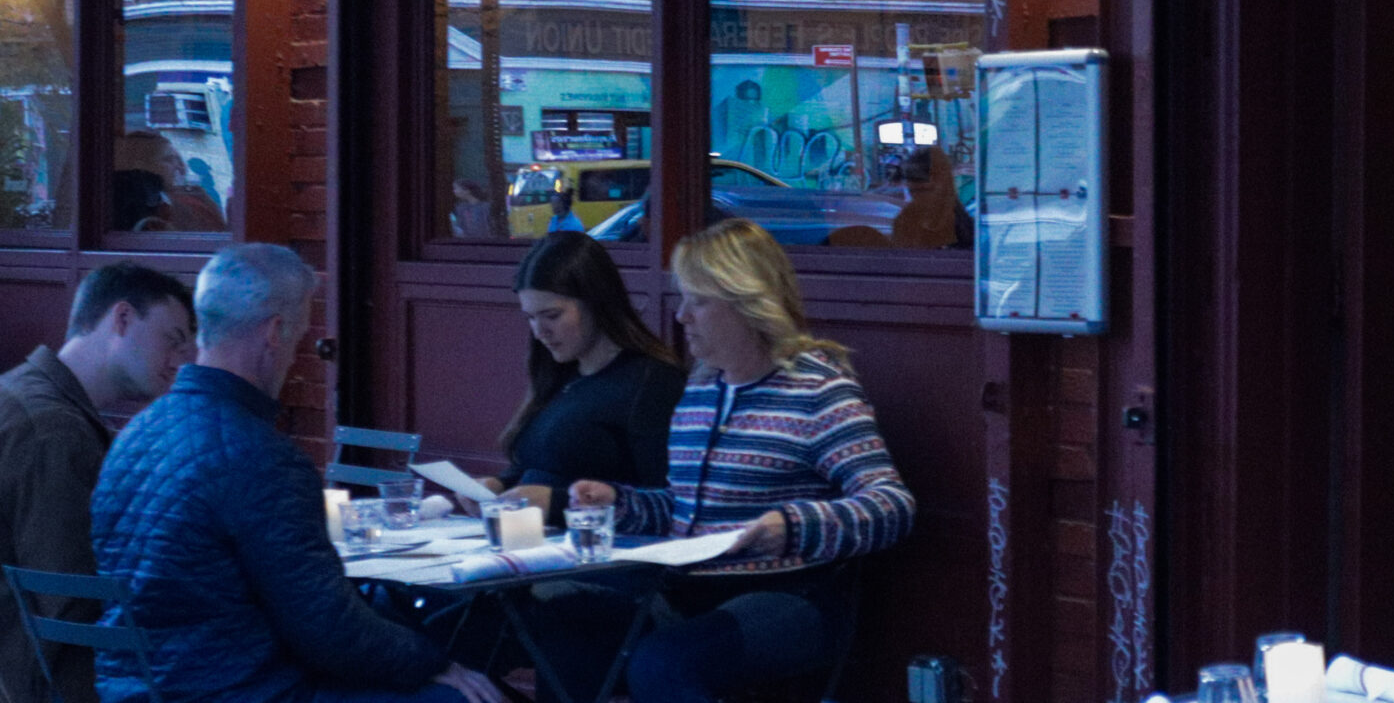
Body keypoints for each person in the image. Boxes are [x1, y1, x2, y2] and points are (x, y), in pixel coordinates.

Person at [90, 245, 503, 703]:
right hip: (240, 690)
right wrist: (436, 663)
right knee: (467, 696)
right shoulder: (260, 457)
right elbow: (327, 629)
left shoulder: (132, 438)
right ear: (276, 332)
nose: (295, 355)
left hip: (135, 688)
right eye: (301, 336)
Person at [547, 219, 915, 703]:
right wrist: (622, 502)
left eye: (697, 301)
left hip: (792, 596)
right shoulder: (701, 391)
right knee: (556, 620)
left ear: (747, 304)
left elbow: (892, 505)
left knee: (664, 664)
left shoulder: (817, 392)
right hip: (689, 587)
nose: (681, 318)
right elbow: (685, 509)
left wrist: (794, 525)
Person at [0, 264, 194, 703]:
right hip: (48, 681)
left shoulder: (21, 393)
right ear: (121, 320)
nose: (182, 360)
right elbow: (72, 600)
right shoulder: (52, 430)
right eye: (174, 338)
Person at [472, 232, 685, 523]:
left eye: (552, 315)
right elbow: (543, 464)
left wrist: (558, 503)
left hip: (599, 550)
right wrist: (500, 486)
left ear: (596, 304)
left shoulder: (652, 382)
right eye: (531, 318)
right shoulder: (560, 373)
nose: (539, 331)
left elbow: (665, 500)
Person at [882, 145, 967, 249]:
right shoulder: (906, 219)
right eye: (911, 178)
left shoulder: (908, 219)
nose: (913, 186)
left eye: (920, 180)